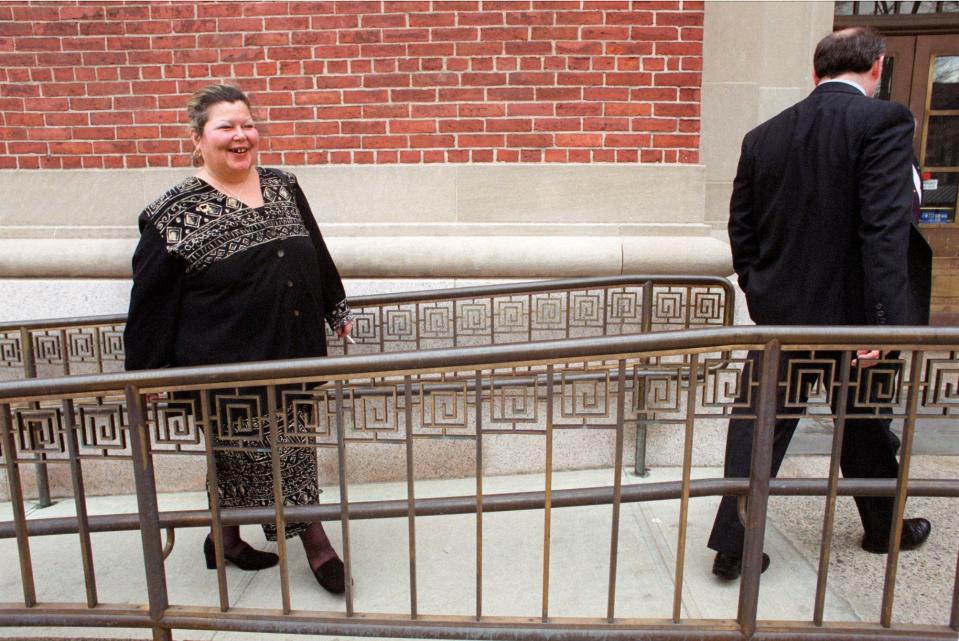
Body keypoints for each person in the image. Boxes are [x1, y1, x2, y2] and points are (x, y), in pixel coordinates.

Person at [708, 27, 933, 580]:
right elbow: (884, 230)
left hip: (784, 319)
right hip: (857, 324)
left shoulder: (763, 135)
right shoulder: (884, 120)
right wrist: (882, 326)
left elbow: (742, 231)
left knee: (762, 424)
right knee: (864, 420)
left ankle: (738, 543)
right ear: (877, 67)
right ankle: (884, 529)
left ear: (815, 72)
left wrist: (762, 295)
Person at [124, 84, 353, 594]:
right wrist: (146, 369)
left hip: (290, 348)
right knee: (279, 451)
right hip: (222, 360)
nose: (240, 135)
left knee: (237, 455)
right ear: (198, 139)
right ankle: (317, 543)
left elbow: (313, 248)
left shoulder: (282, 185)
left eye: (247, 124)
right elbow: (151, 300)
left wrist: (334, 304)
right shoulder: (172, 214)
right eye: (225, 126)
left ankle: (222, 540)